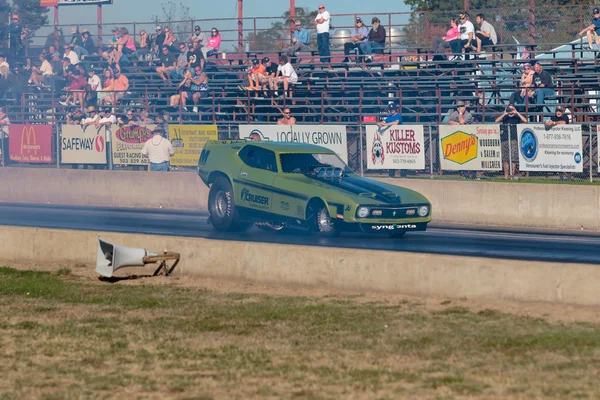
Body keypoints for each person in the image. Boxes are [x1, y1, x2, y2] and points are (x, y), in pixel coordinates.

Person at [495, 104, 527, 180]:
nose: (510, 111)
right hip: (504, 139)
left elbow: (525, 121)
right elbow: (496, 121)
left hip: (514, 139)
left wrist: (516, 112)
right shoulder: (505, 116)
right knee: (505, 159)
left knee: (513, 158)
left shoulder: (516, 116)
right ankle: (506, 175)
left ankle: (512, 175)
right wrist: (504, 114)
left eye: (512, 109)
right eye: (509, 109)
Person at [378, 103, 404, 177]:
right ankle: (391, 174)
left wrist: (385, 124)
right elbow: (383, 122)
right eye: (391, 110)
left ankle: (403, 174)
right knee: (392, 156)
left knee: (402, 156)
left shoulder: (398, 115)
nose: (392, 111)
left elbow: (396, 123)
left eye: (393, 109)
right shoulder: (389, 117)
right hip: (392, 140)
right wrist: (379, 123)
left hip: (400, 138)